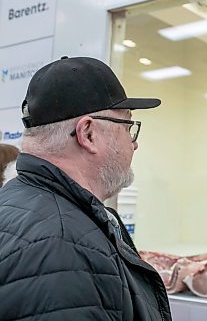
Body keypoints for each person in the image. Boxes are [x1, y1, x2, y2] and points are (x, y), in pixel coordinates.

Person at [0, 56, 172, 320]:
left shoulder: (14, 201)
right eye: (128, 127)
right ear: (88, 134)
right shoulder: (64, 247)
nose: (133, 144)